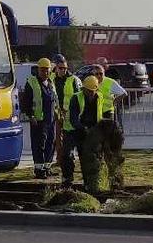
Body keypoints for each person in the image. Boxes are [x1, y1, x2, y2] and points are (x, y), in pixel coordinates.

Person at [20, 58, 58, 179]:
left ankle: (47, 167)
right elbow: (26, 102)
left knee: (50, 144)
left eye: (47, 70)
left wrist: (58, 114)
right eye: (42, 70)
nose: (45, 72)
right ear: (38, 70)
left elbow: (55, 100)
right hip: (38, 120)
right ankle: (39, 170)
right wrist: (31, 116)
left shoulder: (51, 82)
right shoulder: (31, 82)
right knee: (39, 145)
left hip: (51, 119)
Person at [91, 63, 127, 190]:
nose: (99, 76)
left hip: (108, 115)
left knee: (109, 146)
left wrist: (114, 101)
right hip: (97, 116)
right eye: (97, 74)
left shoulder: (109, 82)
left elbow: (123, 93)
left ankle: (114, 175)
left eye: (101, 73)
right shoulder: (91, 83)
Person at [70, 74, 105, 194]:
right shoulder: (76, 98)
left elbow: (100, 115)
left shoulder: (99, 97)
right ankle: (87, 184)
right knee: (85, 160)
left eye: (92, 91)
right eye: (88, 91)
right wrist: (83, 129)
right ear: (84, 89)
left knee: (98, 159)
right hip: (81, 133)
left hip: (95, 133)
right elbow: (73, 119)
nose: (90, 94)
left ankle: (96, 183)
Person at [51, 53, 82, 188]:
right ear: (55, 68)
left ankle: (69, 167)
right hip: (57, 114)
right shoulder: (52, 78)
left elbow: (78, 97)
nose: (62, 70)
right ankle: (61, 163)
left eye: (64, 68)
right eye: (60, 68)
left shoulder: (73, 80)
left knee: (68, 144)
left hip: (71, 115)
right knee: (58, 140)